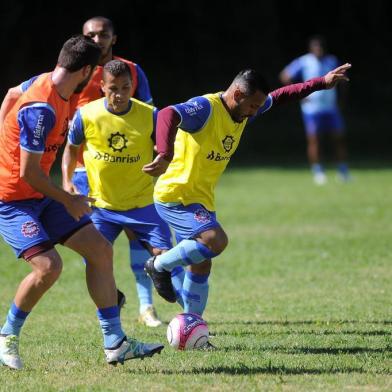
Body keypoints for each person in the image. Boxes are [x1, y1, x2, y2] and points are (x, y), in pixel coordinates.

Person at [142, 64, 351, 346]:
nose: (255, 112)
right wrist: (165, 153)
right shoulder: (205, 108)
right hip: (176, 195)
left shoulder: (243, 109)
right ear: (238, 93)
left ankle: (193, 330)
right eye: (252, 105)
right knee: (216, 241)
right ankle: (159, 265)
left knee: (202, 265)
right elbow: (168, 113)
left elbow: (281, 96)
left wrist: (320, 82)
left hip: (201, 197)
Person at [0, 35, 163, 370]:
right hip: (14, 200)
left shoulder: (46, 81)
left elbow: (11, 92)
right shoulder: (41, 109)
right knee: (48, 267)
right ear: (88, 71)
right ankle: (7, 336)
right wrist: (69, 199)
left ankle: (115, 343)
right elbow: (30, 173)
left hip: (42, 195)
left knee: (101, 250)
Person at [62, 16, 174, 327]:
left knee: (137, 235)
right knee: (90, 244)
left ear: (114, 38)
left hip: (128, 162)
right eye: (91, 35)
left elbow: (151, 117)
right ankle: (113, 294)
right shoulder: (74, 72)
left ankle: (147, 307)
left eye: (103, 34)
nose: (97, 39)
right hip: (86, 168)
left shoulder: (132, 70)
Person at [279, 35, 351, 185]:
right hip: (311, 109)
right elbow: (285, 75)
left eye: (320, 47)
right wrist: (300, 96)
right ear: (311, 49)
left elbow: (344, 80)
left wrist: (341, 99)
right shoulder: (304, 61)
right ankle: (318, 171)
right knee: (314, 140)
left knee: (339, 138)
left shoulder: (332, 60)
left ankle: (343, 170)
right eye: (315, 47)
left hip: (330, 108)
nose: (318, 50)